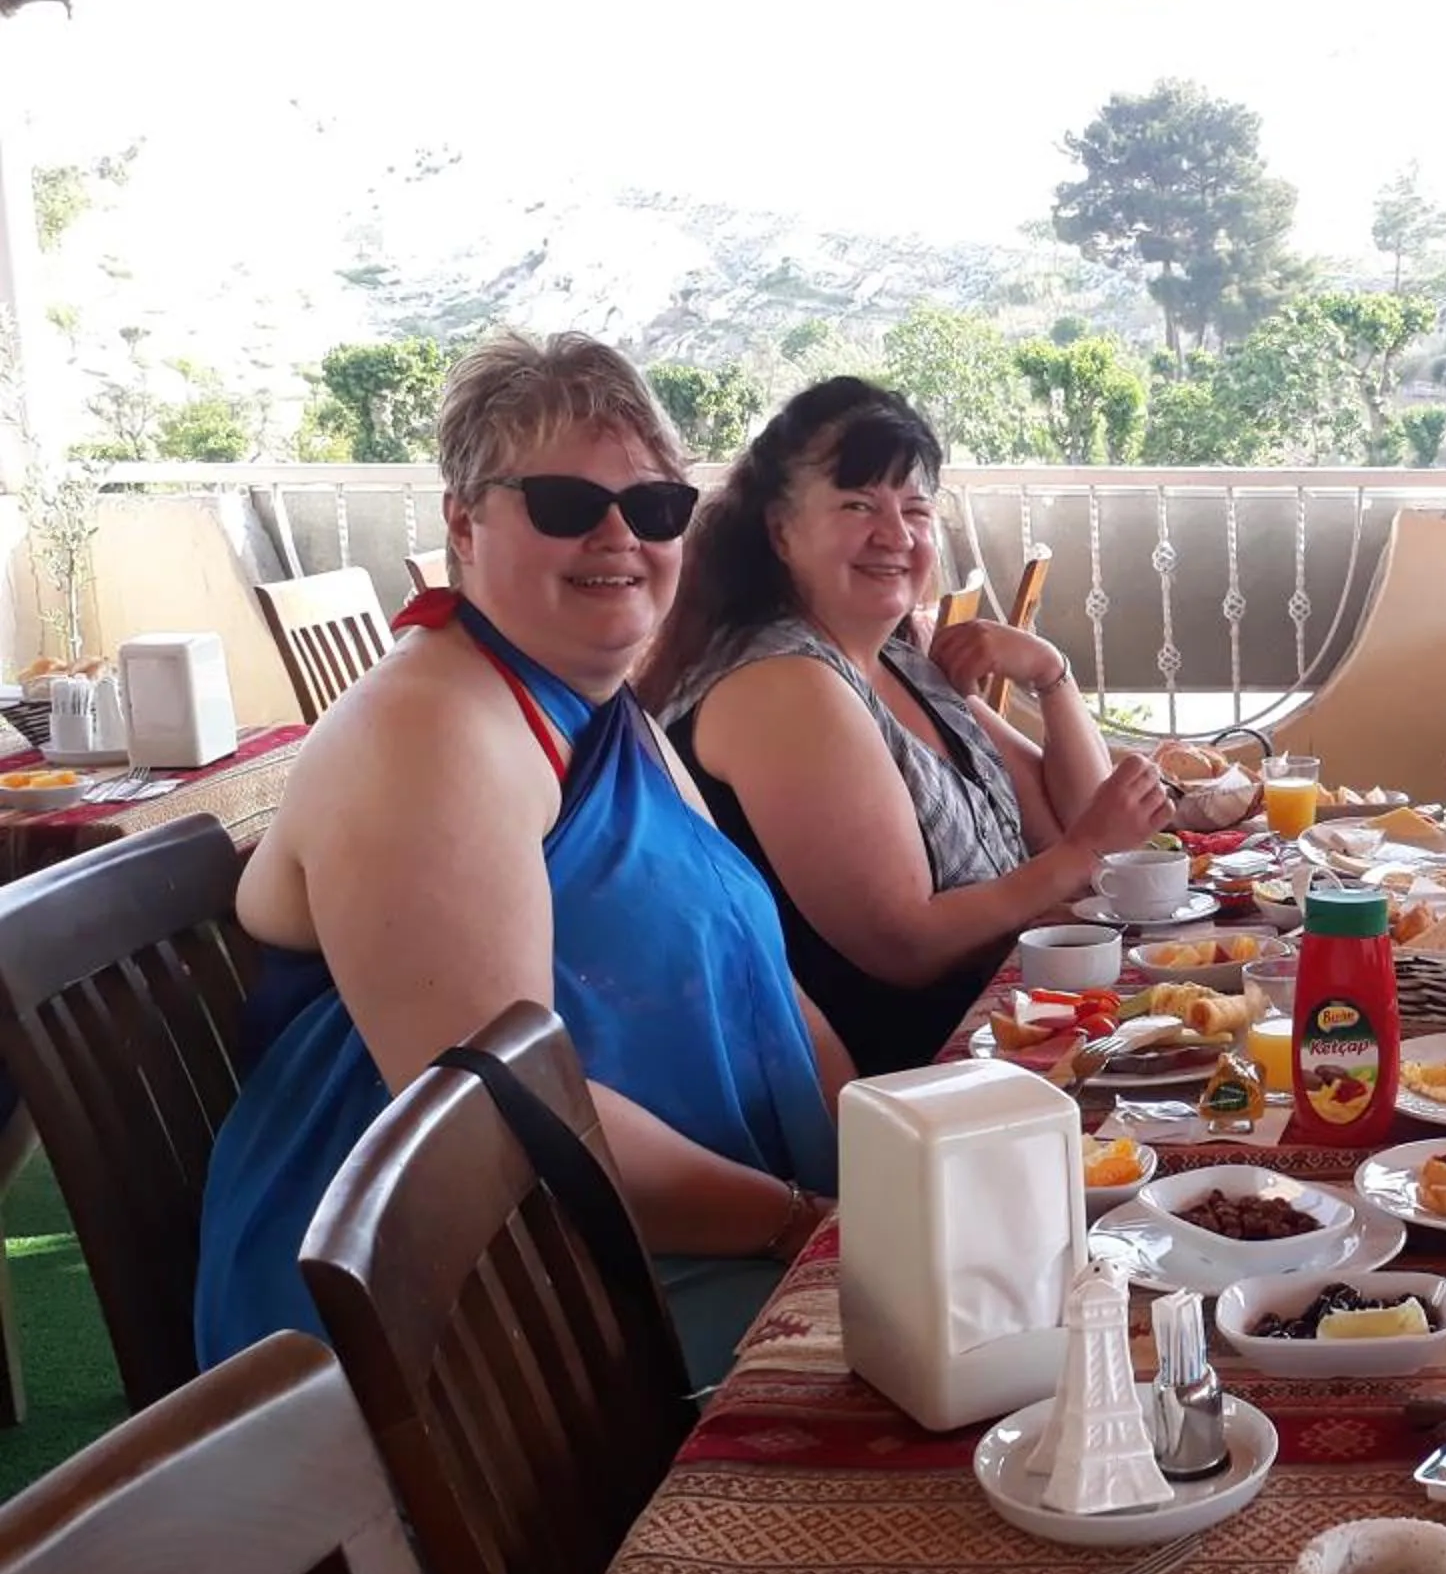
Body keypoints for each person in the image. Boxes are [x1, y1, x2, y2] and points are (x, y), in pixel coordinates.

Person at [196, 332, 853, 1390]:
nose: (619, 536)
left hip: (667, 1225)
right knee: (946, 1367)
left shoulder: (601, 710)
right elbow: (504, 1115)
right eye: (562, 503)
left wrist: (880, 1161)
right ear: (464, 521)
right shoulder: (426, 732)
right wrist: (797, 1223)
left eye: (654, 508)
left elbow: (765, 973)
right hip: (470, 1296)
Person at [640, 379, 1169, 1074]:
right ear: (780, 530)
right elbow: (906, 948)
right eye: (858, 505)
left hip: (1012, 1029)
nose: (895, 534)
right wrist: (1085, 853)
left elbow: (1074, 820)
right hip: (908, 1083)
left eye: (914, 509)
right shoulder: (784, 685)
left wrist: (1051, 674)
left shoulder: (893, 657)